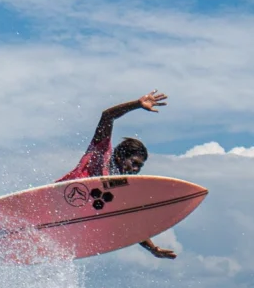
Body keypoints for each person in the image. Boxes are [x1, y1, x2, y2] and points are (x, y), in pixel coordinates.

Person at [58, 90, 177, 259]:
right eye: (134, 163)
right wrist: (137, 104)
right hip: (63, 195)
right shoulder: (102, 154)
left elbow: (127, 219)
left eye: (140, 167)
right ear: (120, 156)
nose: (136, 169)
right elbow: (107, 116)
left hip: (76, 213)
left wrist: (152, 248)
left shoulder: (118, 188)